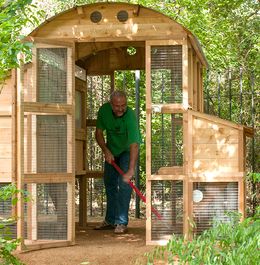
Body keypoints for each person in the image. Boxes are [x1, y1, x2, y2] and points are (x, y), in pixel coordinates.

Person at [94, 90, 140, 234]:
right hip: (111, 151)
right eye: (117, 106)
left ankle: (121, 222)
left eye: (123, 105)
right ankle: (110, 220)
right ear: (110, 104)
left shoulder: (130, 116)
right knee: (110, 183)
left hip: (127, 151)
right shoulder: (103, 111)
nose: (120, 108)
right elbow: (99, 133)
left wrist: (131, 170)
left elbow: (134, 144)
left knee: (125, 184)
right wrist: (106, 151)